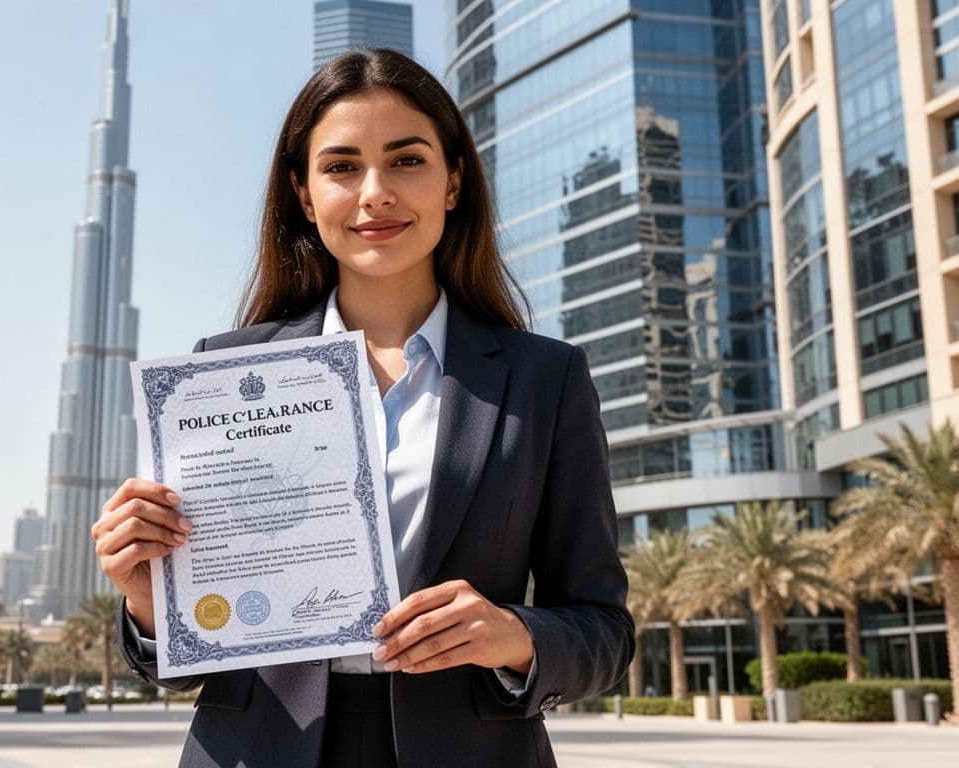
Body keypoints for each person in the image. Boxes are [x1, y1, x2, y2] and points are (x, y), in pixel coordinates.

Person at [93, 48, 633, 768]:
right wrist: (148, 598)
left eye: (407, 161)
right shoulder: (222, 373)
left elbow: (603, 629)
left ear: (453, 183)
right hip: (259, 749)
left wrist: (513, 634)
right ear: (306, 195)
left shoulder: (545, 380)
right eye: (342, 167)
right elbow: (185, 659)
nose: (375, 192)